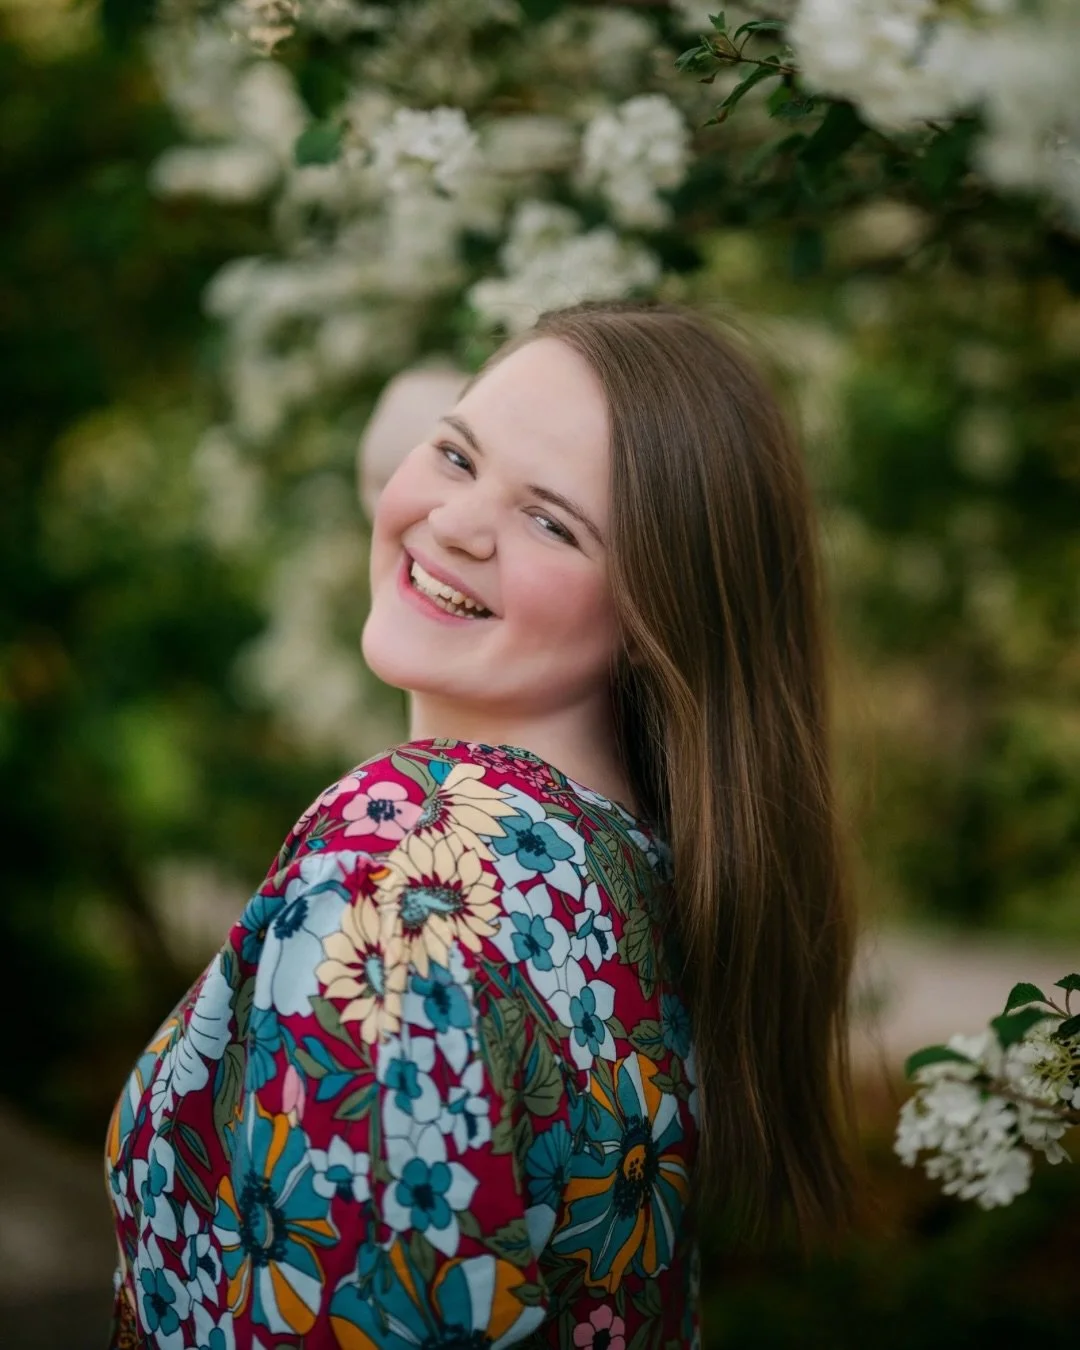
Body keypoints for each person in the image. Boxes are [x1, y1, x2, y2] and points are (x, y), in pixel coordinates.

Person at [105, 299, 859, 1350]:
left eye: (553, 522)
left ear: (658, 615)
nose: (454, 523)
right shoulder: (633, 873)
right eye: (457, 456)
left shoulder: (404, 863)